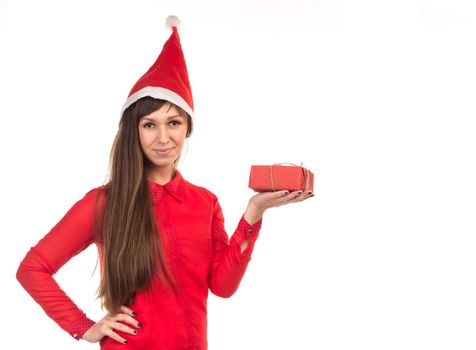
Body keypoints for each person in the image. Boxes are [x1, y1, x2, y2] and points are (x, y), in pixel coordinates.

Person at [15, 15, 313, 349]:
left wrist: (254, 213)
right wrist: (83, 326)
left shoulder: (205, 202)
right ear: (134, 130)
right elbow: (32, 269)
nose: (163, 137)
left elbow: (223, 286)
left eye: (173, 122)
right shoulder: (103, 203)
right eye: (149, 124)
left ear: (188, 128)